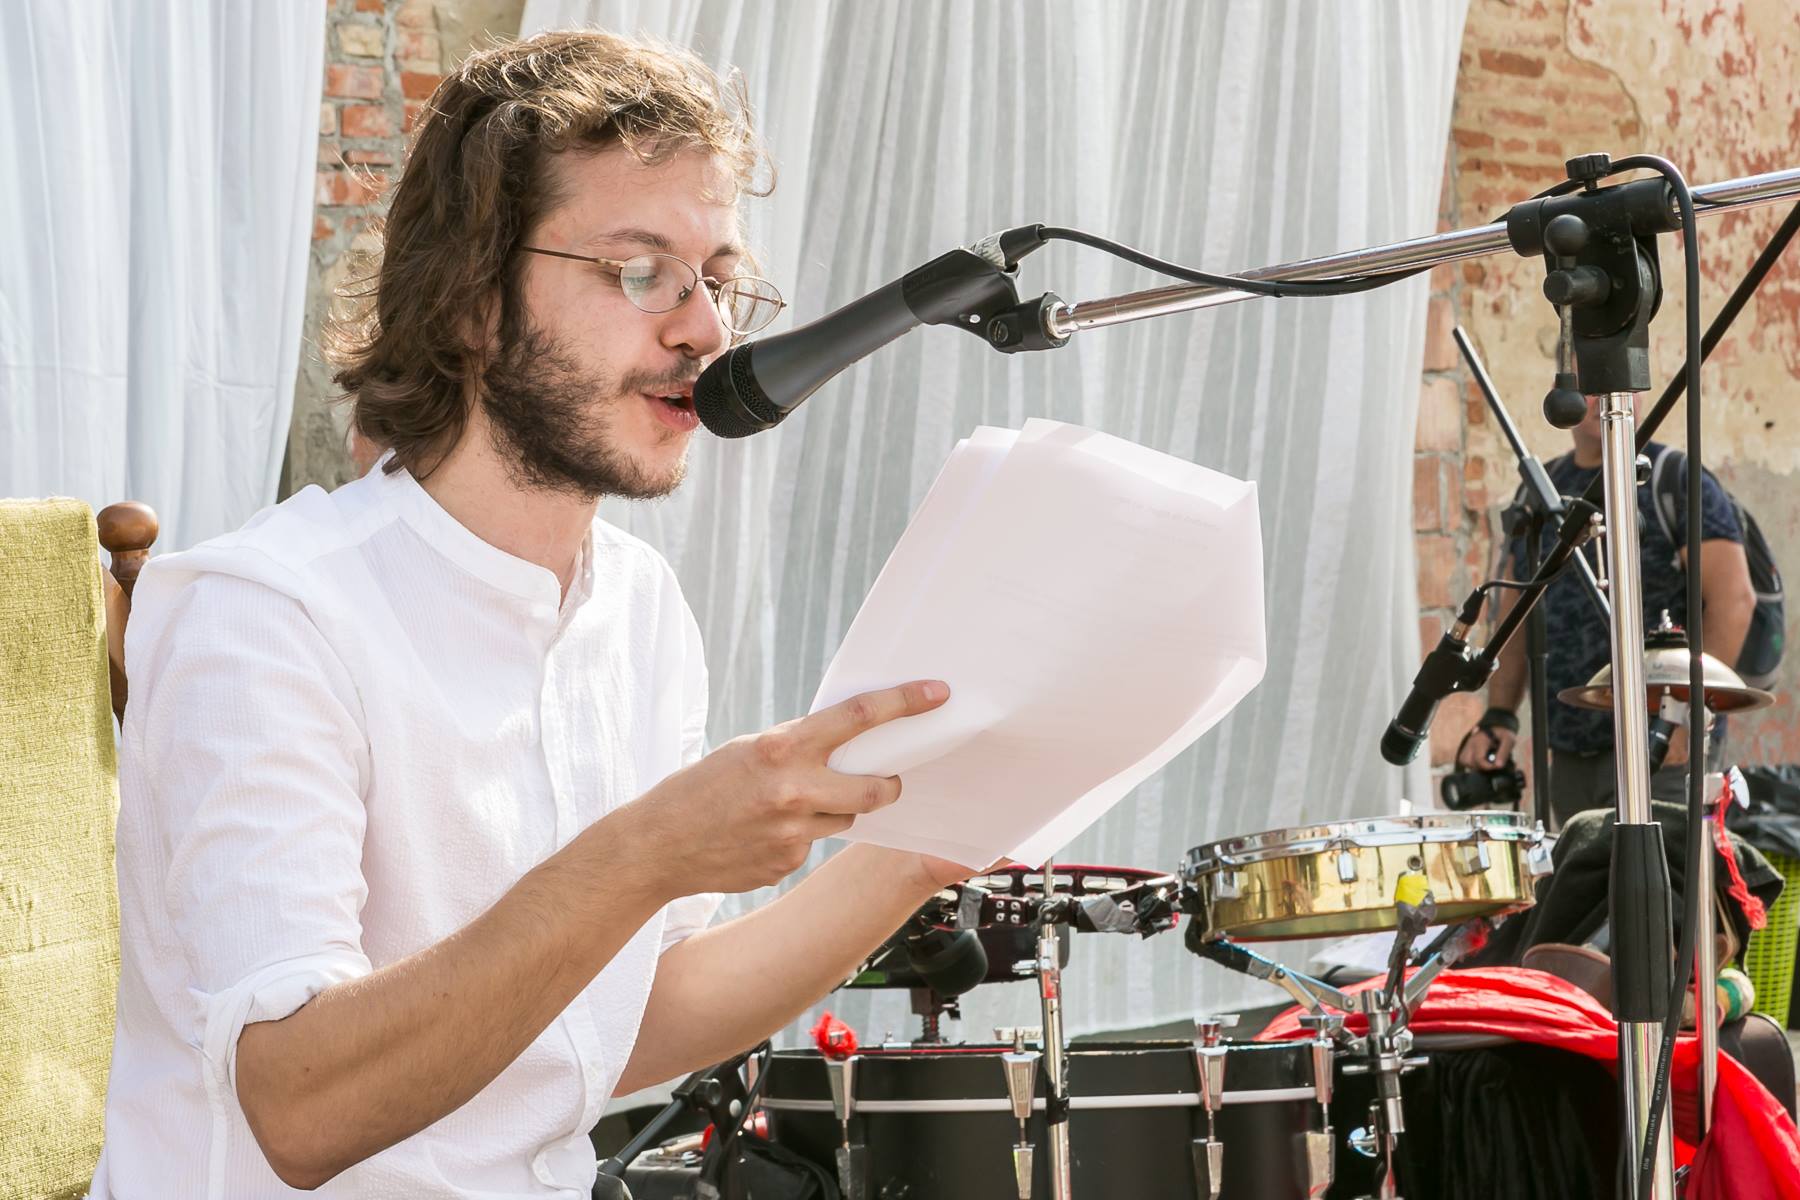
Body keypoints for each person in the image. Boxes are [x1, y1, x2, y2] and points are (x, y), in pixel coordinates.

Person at [93, 30, 974, 1196]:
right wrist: (650, 851)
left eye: (717, 277)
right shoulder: (266, 613)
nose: (707, 331)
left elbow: (621, 1023)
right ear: (470, 301)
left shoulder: (642, 610)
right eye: (640, 271)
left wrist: (915, 855)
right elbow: (300, 1106)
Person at [1455, 393, 1758, 829]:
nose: (1603, 395)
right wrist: (1500, 715)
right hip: (1571, 754)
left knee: (1666, 873)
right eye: (1589, 382)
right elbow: (1515, 615)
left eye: (1615, 379)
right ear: (1563, 389)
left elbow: (1734, 601)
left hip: (1662, 752)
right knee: (1584, 872)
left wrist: (1686, 719)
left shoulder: (1673, 478)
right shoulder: (1542, 491)